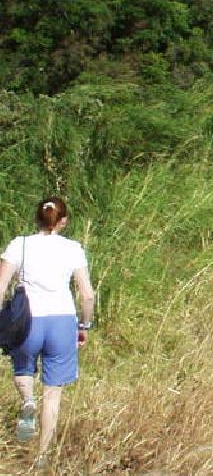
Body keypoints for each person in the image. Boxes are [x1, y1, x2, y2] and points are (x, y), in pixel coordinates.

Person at [0, 197, 94, 466]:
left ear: (36, 219)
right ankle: (41, 459)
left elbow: (1, 285)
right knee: (53, 395)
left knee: (23, 368)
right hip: (62, 322)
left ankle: (28, 400)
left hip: (28, 320)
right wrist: (84, 325)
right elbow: (87, 295)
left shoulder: (20, 244)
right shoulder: (73, 248)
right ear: (62, 221)